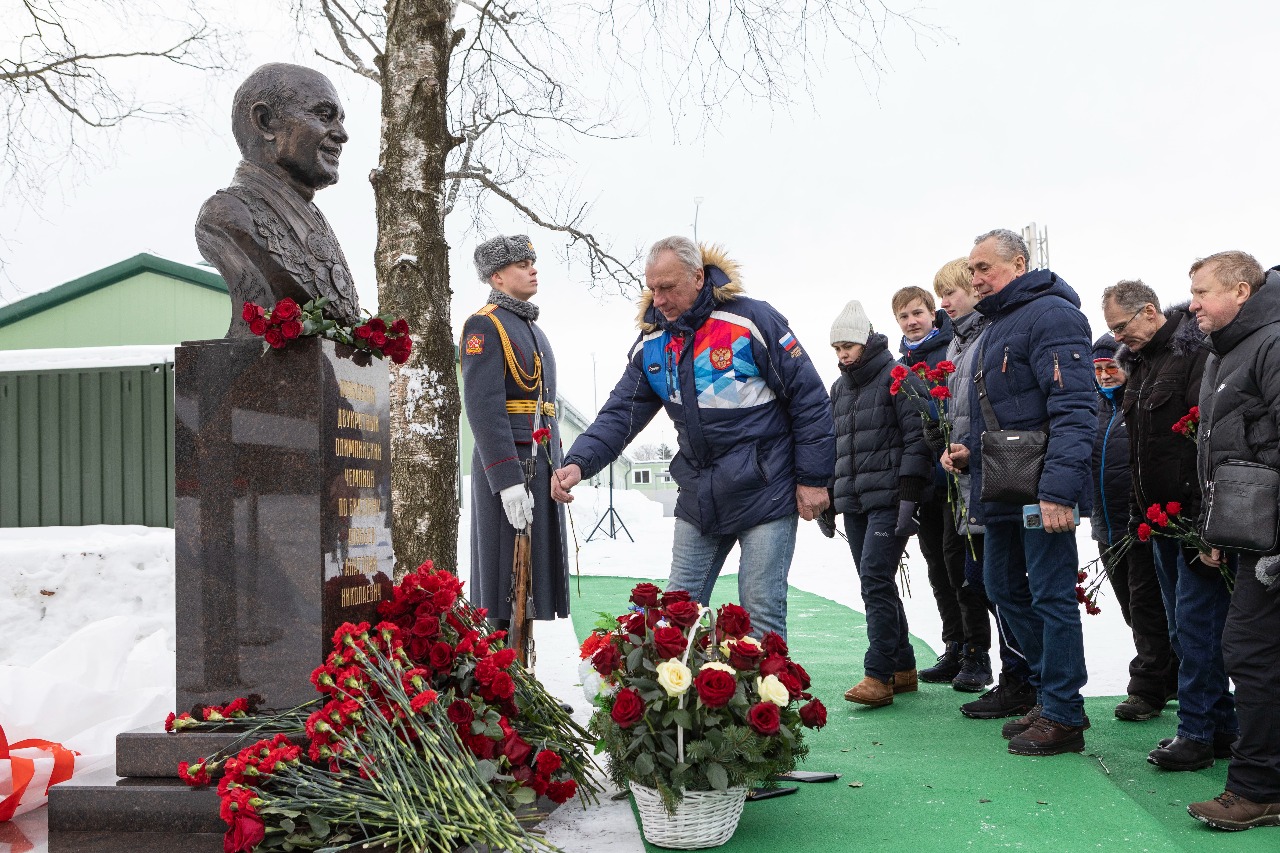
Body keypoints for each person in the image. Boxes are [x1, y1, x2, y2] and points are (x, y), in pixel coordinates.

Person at [551, 237, 834, 639]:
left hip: (766, 490)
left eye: (668, 287)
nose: (659, 299)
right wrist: (579, 461)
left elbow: (809, 399)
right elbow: (620, 414)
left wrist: (813, 478)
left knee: (760, 615)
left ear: (698, 277)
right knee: (675, 613)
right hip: (700, 494)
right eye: (652, 288)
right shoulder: (653, 342)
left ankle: (769, 702)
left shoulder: (751, 321)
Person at [947, 228, 1094, 757]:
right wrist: (966, 450)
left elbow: (1076, 408)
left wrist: (1058, 491)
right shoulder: (997, 323)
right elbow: (1006, 407)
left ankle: (1063, 711)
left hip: (1041, 490)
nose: (976, 278)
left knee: (1052, 596)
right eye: (972, 269)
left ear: (1020, 262)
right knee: (1002, 587)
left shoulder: (1053, 315)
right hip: (1001, 481)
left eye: (984, 267)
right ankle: (1043, 689)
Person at [1103, 280, 1221, 768]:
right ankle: (1221, 727)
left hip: (1190, 518)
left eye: (1121, 327)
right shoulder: (1145, 363)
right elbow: (1141, 452)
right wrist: (1138, 517)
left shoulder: (1192, 355)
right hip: (1157, 522)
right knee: (1180, 629)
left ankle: (1197, 730)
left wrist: (1205, 520)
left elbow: (1202, 437)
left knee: (1195, 629)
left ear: (1149, 313)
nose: (1116, 340)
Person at [1185, 251, 1280, 831]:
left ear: (1240, 291)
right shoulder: (1226, 352)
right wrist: (1217, 527)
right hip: (1250, 533)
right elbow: (1221, 451)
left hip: (1272, 538)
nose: (1191, 304)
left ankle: (1257, 787)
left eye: (1201, 292)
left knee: (1250, 652)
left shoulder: (1271, 344)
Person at [933, 259, 1034, 719]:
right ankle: (1015, 675)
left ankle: (1024, 677)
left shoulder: (986, 338)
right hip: (970, 479)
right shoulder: (958, 345)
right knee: (984, 583)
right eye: (945, 294)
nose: (946, 301)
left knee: (1003, 584)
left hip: (999, 479)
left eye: (954, 291)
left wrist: (972, 448)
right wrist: (953, 449)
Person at [196, 63, 362, 335]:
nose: (342, 134)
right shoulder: (228, 215)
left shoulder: (316, 219)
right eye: (324, 115)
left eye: (340, 119)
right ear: (265, 122)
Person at [460, 235, 570, 639]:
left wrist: (555, 466)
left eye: (532, 261)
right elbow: (484, 408)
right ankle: (499, 677)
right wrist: (506, 481)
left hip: (538, 463)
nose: (533, 268)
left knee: (530, 583)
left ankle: (521, 674)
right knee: (505, 581)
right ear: (498, 277)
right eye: (523, 264)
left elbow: (545, 407)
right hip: (509, 467)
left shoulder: (530, 328)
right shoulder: (484, 325)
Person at [829, 300, 933, 707]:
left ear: (867, 341)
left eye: (848, 346)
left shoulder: (899, 377)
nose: (842, 354)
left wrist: (909, 497)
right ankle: (904, 666)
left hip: (890, 499)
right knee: (876, 581)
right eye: (837, 348)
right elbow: (832, 447)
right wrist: (829, 501)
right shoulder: (839, 389)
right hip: (855, 500)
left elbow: (918, 438)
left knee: (874, 576)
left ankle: (879, 674)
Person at [893, 285, 990, 691]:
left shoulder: (950, 350)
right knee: (937, 567)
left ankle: (976, 653)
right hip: (926, 484)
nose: (912, 322)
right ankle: (954, 645)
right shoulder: (901, 365)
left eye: (918, 313)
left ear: (934, 314)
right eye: (904, 316)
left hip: (956, 477)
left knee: (960, 568)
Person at [1089, 328, 1175, 724]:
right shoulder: (1095, 410)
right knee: (1130, 606)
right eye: (1099, 368)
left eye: (1112, 366)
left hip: (1139, 526)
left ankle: (1147, 688)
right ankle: (1167, 673)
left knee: (1146, 607)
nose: (1105, 375)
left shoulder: (1136, 404)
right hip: (1106, 527)